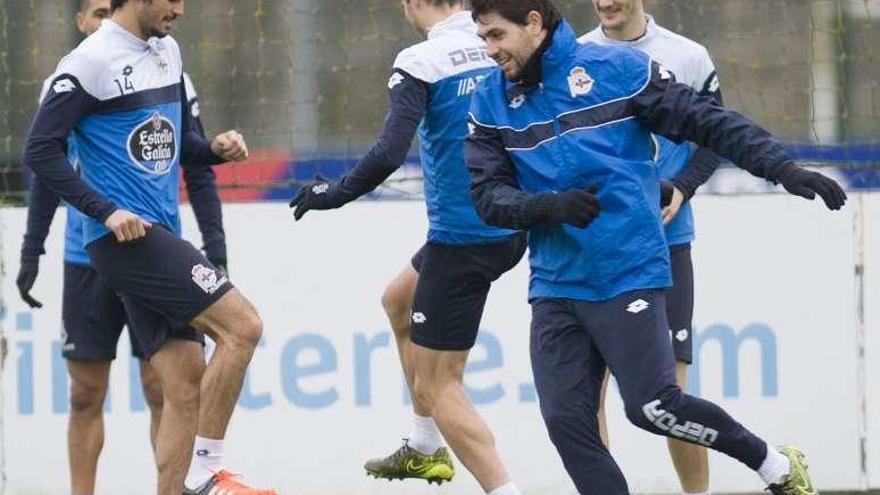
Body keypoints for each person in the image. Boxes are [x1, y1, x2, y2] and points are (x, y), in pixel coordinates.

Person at [465, 1, 846, 494]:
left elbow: (710, 124)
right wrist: (548, 208)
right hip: (557, 281)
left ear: (533, 23)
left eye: (496, 36)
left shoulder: (619, 71)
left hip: (629, 269)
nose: (489, 50)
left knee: (652, 407)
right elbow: (487, 197)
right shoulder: (489, 102)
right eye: (483, 39)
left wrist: (783, 168)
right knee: (567, 423)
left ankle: (772, 463)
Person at [21, 0, 274, 493]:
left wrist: (215, 152)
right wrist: (104, 211)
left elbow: (178, 147)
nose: (180, 9)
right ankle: (206, 470)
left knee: (182, 384)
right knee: (243, 327)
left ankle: (185, 483)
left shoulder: (168, 51)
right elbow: (38, 149)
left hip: (161, 235)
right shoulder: (89, 63)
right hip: (123, 243)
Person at [290, 1, 525, 493]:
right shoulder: (500, 43)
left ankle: (503, 486)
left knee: (438, 385)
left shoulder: (422, 60)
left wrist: (331, 194)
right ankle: (424, 446)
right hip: (509, 226)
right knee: (398, 299)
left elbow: (388, 153)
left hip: (462, 241)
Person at [579, 1, 725, 493]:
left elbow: (715, 135)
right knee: (586, 396)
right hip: (597, 253)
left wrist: (681, 185)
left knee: (671, 396)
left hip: (667, 247)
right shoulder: (574, 59)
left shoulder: (688, 57)